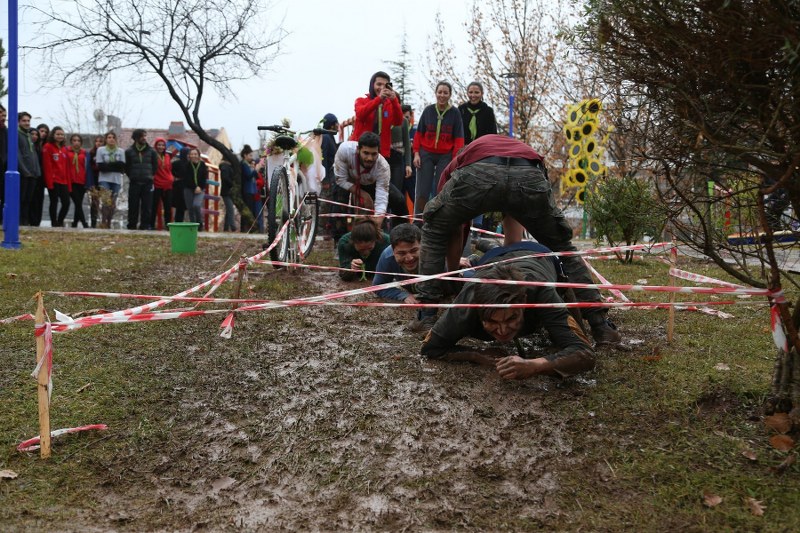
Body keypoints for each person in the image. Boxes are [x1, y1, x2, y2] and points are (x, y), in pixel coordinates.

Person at [412, 134, 621, 345]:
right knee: (562, 247)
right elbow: (514, 239)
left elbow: (451, 229)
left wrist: (453, 269)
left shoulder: (459, 163)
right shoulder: (516, 149)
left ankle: (426, 315)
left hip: (480, 172)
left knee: (434, 228)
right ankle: (600, 325)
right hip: (528, 172)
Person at [420, 251, 596, 380]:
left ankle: (600, 324)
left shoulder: (541, 293)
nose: (503, 331)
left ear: (525, 302)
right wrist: (477, 354)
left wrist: (535, 365)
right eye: (491, 321)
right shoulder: (467, 301)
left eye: (511, 318)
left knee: (564, 335)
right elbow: (430, 347)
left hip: (539, 255)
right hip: (493, 257)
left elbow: (585, 353)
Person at [333, 132, 408, 242]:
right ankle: (340, 241)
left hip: (370, 183)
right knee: (339, 203)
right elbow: (340, 179)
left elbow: (382, 199)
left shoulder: (383, 167)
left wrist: (377, 221)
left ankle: (399, 239)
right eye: (366, 153)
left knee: (399, 200)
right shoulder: (345, 150)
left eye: (374, 154)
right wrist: (363, 194)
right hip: (347, 180)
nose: (369, 158)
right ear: (358, 149)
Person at [412, 81, 464, 220]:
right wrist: (416, 153)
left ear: (450, 95)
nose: (442, 95)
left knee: (441, 189)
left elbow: (459, 138)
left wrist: (455, 159)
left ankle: (437, 220)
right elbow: (419, 134)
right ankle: (418, 221)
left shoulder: (455, 113)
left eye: (445, 93)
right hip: (426, 153)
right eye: (439, 92)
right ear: (435, 93)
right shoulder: (428, 110)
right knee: (423, 190)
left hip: (445, 155)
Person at [350, 71, 403, 159]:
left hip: (381, 153)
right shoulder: (361, 101)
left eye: (385, 85)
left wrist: (394, 101)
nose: (381, 88)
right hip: (360, 151)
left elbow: (398, 122)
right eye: (379, 84)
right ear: (372, 85)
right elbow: (361, 115)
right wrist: (379, 99)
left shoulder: (390, 104)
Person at [372, 223, 421, 303]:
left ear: (422, 244)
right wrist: (402, 295)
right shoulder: (387, 257)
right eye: (402, 253)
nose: (409, 258)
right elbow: (378, 286)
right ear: (393, 251)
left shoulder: (435, 254)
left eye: (414, 251)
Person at [125, 129, 158, 230]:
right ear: (136, 138)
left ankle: (145, 226)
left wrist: (149, 176)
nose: (144, 138)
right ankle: (132, 225)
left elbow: (155, 167)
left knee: (147, 206)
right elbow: (127, 167)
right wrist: (132, 176)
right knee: (133, 205)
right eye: (142, 136)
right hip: (134, 182)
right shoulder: (129, 151)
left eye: (145, 136)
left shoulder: (152, 151)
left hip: (147, 182)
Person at [95, 131, 126, 228]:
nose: (111, 139)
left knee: (113, 202)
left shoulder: (121, 151)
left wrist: (108, 165)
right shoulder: (101, 150)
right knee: (105, 201)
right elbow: (100, 166)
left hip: (116, 180)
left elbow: (122, 167)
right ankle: (103, 222)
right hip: (104, 179)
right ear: (106, 139)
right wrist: (115, 165)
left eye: (113, 137)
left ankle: (109, 222)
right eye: (109, 137)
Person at [42, 126, 71, 227]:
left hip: (64, 181)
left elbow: (67, 167)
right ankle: (54, 223)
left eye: (62, 134)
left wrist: (68, 183)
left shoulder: (64, 149)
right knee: (54, 202)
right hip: (53, 180)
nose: (60, 136)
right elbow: (47, 166)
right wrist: (49, 183)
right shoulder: (48, 147)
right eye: (58, 134)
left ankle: (60, 221)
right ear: (53, 135)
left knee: (66, 202)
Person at [16, 113, 41, 226]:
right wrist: (24, 171)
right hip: (24, 174)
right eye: (24, 121)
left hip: (33, 174)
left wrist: (36, 171)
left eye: (28, 121)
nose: (26, 123)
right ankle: (19, 221)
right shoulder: (16, 134)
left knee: (28, 200)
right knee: (21, 199)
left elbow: (33, 155)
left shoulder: (28, 136)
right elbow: (18, 155)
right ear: (18, 122)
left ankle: (25, 222)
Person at [65, 134, 89, 228]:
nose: (76, 142)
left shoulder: (84, 153)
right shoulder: (67, 151)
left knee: (78, 204)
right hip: (71, 181)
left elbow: (87, 168)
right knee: (78, 203)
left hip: (82, 181)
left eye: (78, 140)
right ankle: (84, 223)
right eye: (74, 140)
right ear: (71, 142)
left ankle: (74, 224)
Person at [181, 147, 208, 229]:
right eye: (191, 154)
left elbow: (204, 178)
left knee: (196, 205)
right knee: (190, 208)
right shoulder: (186, 165)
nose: (193, 156)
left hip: (200, 189)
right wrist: (194, 187)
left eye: (195, 154)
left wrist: (200, 187)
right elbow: (186, 178)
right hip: (189, 188)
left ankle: (199, 223)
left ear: (199, 155)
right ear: (189, 156)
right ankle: (193, 226)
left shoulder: (203, 165)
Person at [150, 137, 173, 229]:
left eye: (163, 145)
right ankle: (151, 225)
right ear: (156, 146)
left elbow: (169, 168)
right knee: (154, 206)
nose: (161, 147)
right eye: (159, 145)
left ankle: (168, 226)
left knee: (168, 207)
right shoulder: (153, 155)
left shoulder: (167, 156)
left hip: (168, 185)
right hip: (157, 183)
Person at [29, 124, 49, 226]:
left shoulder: (46, 146)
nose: (43, 134)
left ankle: (37, 221)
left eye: (45, 132)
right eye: (41, 131)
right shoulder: (34, 146)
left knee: (40, 199)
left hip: (42, 176)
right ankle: (31, 220)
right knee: (32, 199)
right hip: (34, 174)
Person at [239, 144, 261, 231]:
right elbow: (248, 176)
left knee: (251, 210)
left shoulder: (247, 164)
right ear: (245, 155)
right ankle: (244, 228)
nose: (251, 157)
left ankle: (248, 228)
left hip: (251, 190)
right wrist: (256, 170)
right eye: (250, 155)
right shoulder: (243, 164)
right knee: (247, 210)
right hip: (246, 190)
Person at [86, 135, 104, 228]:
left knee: (106, 202)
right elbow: (88, 168)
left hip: (104, 179)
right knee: (94, 202)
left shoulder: (106, 153)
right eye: (96, 141)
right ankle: (93, 223)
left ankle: (104, 223)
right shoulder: (91, 153)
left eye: (100, 141)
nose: (98, 143)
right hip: (94, 180)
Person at [219, 157, 236, 232]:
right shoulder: (225, 167)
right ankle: (233, 227)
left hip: (228, 191)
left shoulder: (227, 166)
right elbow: (225, 177)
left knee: (229, 209)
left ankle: (226, 227)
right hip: (226, 191)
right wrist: (232, 184)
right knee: (230, 209)